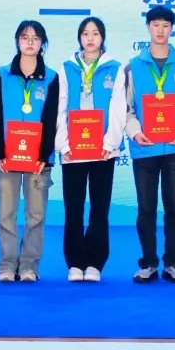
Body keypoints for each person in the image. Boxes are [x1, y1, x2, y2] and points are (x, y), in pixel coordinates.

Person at [124, 5, 175, 284]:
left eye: (166, 25)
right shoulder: (133, 66)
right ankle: (148, 263)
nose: (160, 30)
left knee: (174, 209)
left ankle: (173, 264)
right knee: (145, 209)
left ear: (172, 29)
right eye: (155, 24)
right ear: (147, 27)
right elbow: (127, 109)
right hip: (144, 147)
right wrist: (135, 133)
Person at [55, 17, 127, 282]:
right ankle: (75, 262)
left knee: (99, 207)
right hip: (72, 150)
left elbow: (119, 108)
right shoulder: (67, 68)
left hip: (103, 151)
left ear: (102, 37)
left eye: (95, 33)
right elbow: (60, 107)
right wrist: (63, 144)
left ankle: (95, 263)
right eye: (85, 34)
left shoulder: (114, 68)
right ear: (79, 37)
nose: (90, 38)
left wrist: (110, 143)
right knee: (73, 207)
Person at [0, 21, 59, 282]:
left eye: (36, 38)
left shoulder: (52, 78)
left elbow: (52, 118)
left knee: (36, 214)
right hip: (5, 160)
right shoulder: (1, 75)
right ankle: (6, 265)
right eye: (25, 37)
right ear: (17, 41)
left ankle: (29, 265)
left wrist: (44, 156)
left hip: (40, 163)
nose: (30, 42)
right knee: (5, 213)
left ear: (42, 44)